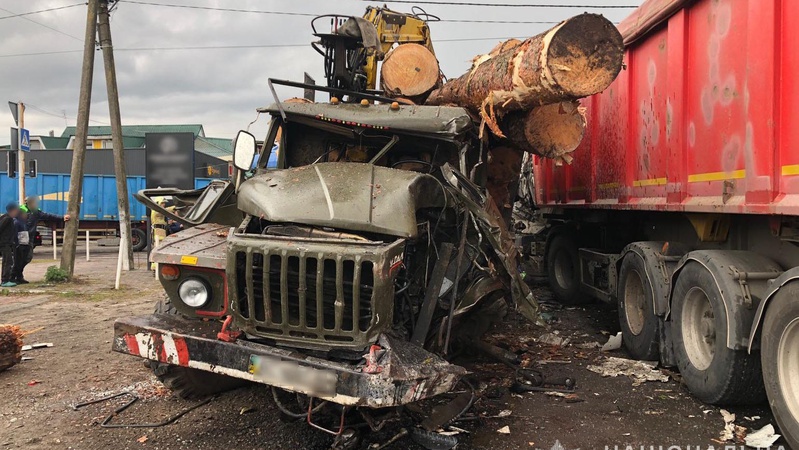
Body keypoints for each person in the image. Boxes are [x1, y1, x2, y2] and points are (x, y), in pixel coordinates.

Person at [0, 203, 20, 288]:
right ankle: (5, 280)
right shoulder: (7, 219)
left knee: (8, 261)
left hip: (6, 243)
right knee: (7, 261)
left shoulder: (6, 217)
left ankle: (6, 279)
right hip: (4, 243)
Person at [11, 210, 31, 285]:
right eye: (25, 214)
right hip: (20, 245)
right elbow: (15, 234)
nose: (26, 215)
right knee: (17, 261)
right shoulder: (17, 222)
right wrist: (16, 244)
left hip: (25, 243)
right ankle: (13, 276)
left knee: (23, 260)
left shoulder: (24, 223)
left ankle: (19, 276)